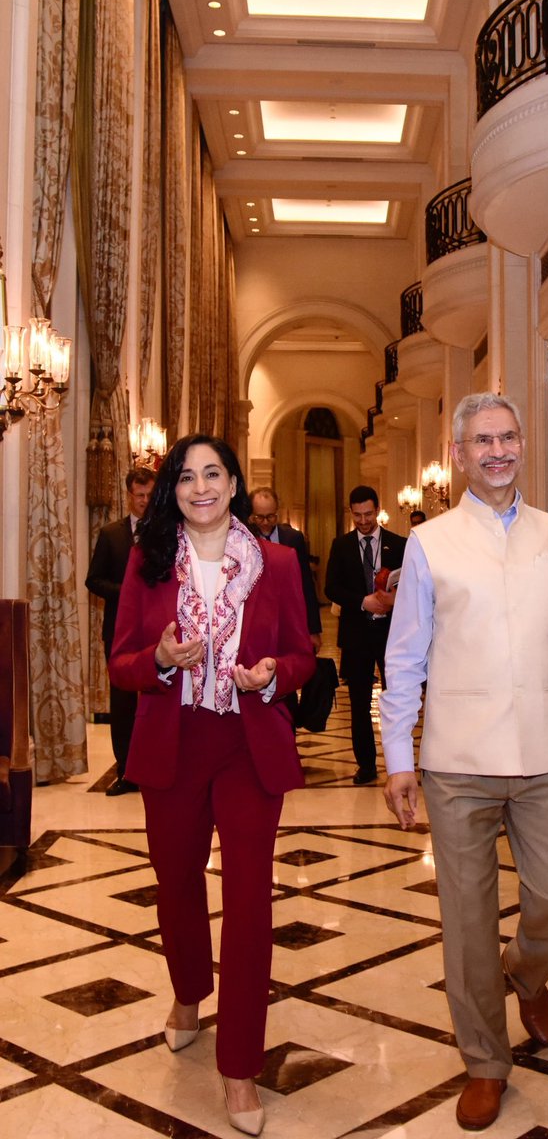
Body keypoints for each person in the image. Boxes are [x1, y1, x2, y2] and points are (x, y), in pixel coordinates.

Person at [380, 393, 548, 1132]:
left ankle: (526, 974)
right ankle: (484, 1061)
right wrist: (397, 756)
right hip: (458, 759)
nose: (497, 451)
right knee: (466, 921)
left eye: (507, 438)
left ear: (521, 446)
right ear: (459, 454)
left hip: (546, 752)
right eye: (483, 441)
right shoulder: (431, 542)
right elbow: (404, 656)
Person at [108, 435, 316, 1137]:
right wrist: (159, 659)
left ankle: (240, 1068)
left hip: (247, 743)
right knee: (176, 881)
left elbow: (303, 653)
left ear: (233, 484)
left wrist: (273, 676)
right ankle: (190, 992)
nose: (201, 486)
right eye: (187, 476)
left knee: (250, 900)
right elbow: (121, 662)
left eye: (213, 473)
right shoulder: (148, 561)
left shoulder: (279, 563)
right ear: (174, 488)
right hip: (173, 740)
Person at [325, 486, 406, 784]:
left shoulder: (399, 544)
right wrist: (363, 601)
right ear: (351, 513)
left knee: (398, 700)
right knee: (358, 704)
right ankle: (367, 766)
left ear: (377, 510)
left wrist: (393, 599)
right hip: (357, 637)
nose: (363, 521)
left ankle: (401, 764)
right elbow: (331, 588)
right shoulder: (341, 545)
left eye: (368, 514)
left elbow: (413, 585)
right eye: (357, 515)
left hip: (392, 635)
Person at [86, 466, 156, 795]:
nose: (144, 501)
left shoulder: (166, 533)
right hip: (118, 631)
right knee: (123, 702)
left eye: (149, 495)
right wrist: (127, 592)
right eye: (139, 496)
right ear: (129, 495)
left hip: (158, 631)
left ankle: (158, 766)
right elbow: (93, 580)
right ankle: (126, 770)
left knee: (159, 698)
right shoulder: (111, 534)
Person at [248, 487, 322, 652]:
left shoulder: (293, 539)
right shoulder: (245, 539)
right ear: (252, 515)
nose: (265, 522)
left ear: (277, 513)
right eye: (259, 517)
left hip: (290, 620)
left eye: (270, 516)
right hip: (257, 623)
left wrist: (313, 630)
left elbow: (306, 585)